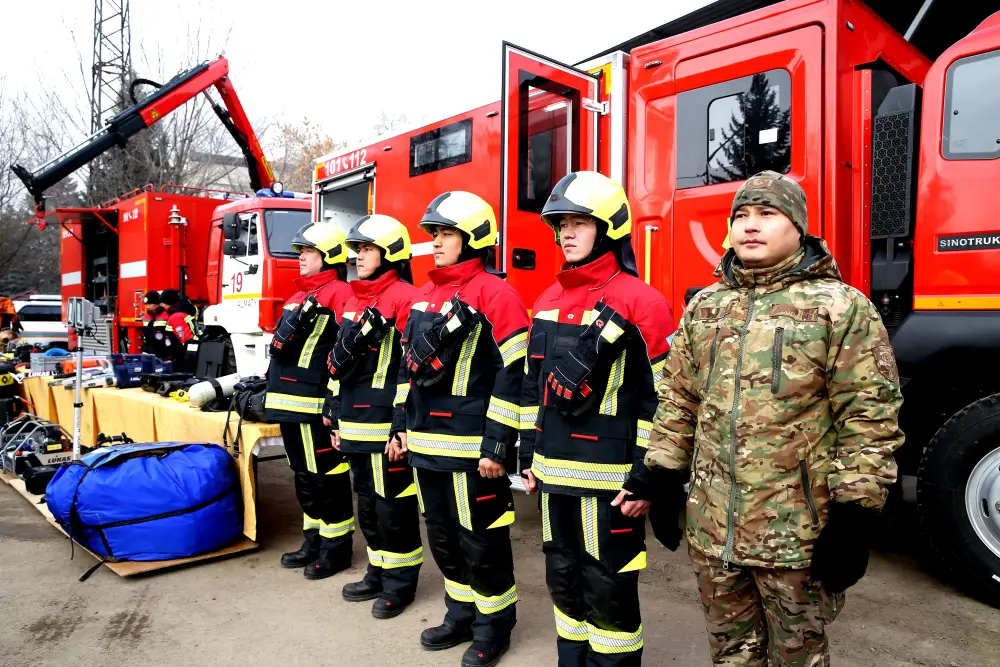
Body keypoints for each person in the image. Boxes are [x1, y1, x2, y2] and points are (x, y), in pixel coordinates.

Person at [644, 170, 904, 666]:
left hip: (795, 532)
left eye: (767, 213)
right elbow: (678, 397)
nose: (750, 225)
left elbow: (868, 417)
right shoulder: (705, 307)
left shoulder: (840, 308)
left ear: (798, 227)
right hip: (713, 528)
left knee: (797, 657)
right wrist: (662, 472)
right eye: (741, 215)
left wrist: (855, 514)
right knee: (732, 654)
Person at [518, 171, 675, 667]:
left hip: (611, 484)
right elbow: (530, 388)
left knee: (608, 583)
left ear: (609, 228)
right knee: (561, 577)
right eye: (561, 224)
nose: (566, 233)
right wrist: (527, 454)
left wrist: (647, 476)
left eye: (579, 223)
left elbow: (666, 399)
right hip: (552, 474)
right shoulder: (545, 301)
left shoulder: (641, 301)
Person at [395, 191, 528, 667]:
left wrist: (499, 444)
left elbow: (516, 375)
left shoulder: (497, 294)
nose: (435, 243)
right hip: (425, 442)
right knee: (445, 537)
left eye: (446, 234)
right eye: (434, 234)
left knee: (482, 538)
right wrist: (401, 426)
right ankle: (461, 613)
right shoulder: (425, 296)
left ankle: (494, 626)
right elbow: (408, 371)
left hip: (474, 450)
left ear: (474, 239)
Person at [325, 214, 423, 619]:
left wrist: (401, 427)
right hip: (352, 420)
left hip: (385, 423)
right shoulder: (351, 298)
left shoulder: (405, 298)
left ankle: (400, 583)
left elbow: (410, 370)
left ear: (390, 253)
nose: (358, 257)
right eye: (357, 250)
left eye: (366, 249)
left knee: (392, 504)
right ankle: (378, 569)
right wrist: (333, 410)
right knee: (366, 501)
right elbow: (338, 364)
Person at [263, 222, 355, 580]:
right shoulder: (296, 296)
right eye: (300, 251)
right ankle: (313, 539)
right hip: (288, 404)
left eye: (309, 252)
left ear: (329, 257)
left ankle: (336, 548)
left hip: (314, 405)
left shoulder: (340, 294)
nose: (300, 256)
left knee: (326, 477)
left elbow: (342, 354)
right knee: (303, 476)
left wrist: (334, 402)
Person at [140, 290, 164, 356]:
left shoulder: (164, 315)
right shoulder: (147, 316)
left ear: (157, 303)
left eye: (150, 304)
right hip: (148, 350)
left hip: (161, 351)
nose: (148, 307)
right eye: (147, 304)